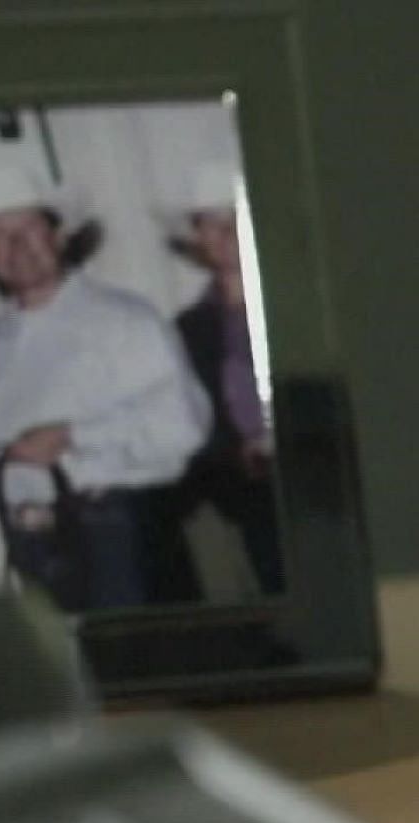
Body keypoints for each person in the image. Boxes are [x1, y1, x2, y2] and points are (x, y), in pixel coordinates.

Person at [0, 165, 210, 611]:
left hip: (122, 532)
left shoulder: (125, 320)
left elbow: (183, 428)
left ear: (59, 236)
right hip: (32, 540)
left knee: (137, 667)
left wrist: (71, 436)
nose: (17, 246)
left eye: (30, 227)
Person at [150, 162, 285, 601]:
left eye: (235, 215)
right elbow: (190, 425)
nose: (226, 231)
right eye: (212, 221)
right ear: (197, 237)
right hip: (250, 497)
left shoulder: (305, 301)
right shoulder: (189, 329)